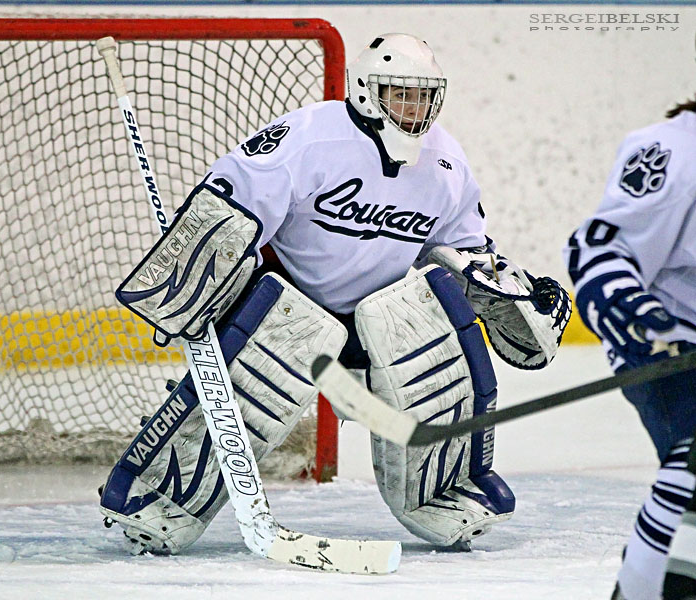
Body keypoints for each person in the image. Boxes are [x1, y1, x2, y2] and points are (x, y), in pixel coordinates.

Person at [100, 33, 571, 556]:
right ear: (367, 91)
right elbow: (229, 212)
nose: (414, 108)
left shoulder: (446, 164)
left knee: (432, 328)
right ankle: (162, 495)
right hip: (285, 306)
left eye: (423, 96)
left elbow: (465, 254)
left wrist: (508, 291)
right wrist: (194, 280)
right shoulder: (308, 139)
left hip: (375, 323)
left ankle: (440, 492)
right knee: (278, 350)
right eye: (401, 94)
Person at [562, 92, 696, 599]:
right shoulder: (673, 151)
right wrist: (632, 309)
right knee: (692, 469)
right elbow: (602, 247)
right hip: (669, 348)